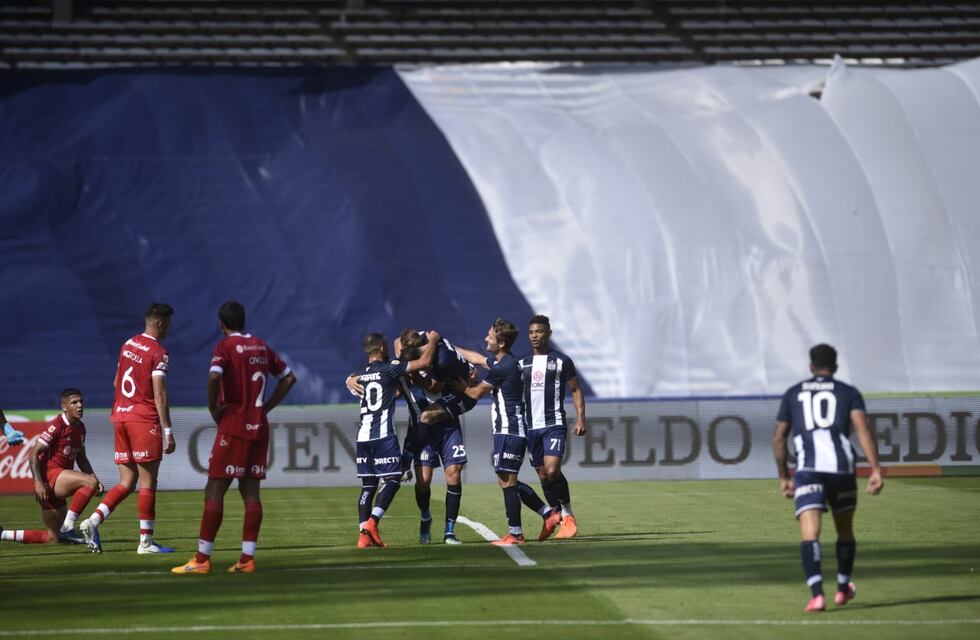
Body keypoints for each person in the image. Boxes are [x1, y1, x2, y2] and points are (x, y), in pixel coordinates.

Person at [172, 301, 296, 574]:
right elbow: (289, 378)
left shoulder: (225, 346)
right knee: (251, 493)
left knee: (214, 490)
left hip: (234, 424)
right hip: (259, 426)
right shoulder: (261, 345)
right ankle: (247, 559)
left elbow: (213, 377)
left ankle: (201, 560)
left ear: (221, 324)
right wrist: (265, 407)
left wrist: (213, 407)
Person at [773, 344, 884, 613]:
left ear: (811, 366)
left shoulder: (793, 393)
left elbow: (779, 438)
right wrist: (876, 469)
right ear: (835, 367)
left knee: (810, 533)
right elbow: (863, 431)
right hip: (841, 470)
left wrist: (784, 476)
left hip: (809, 469)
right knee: (844, 531)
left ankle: (817, 595)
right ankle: (843, 588)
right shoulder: (848, 392)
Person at [450, 319, 561, 545]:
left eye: (489, 336)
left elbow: (474, 393)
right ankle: (548, 514)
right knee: (507, 480)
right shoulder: (506, 362)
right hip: (513, 430)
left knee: (507, 481)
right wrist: (450, 348)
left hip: (509, 430)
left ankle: (517, 533)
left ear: (500, 342)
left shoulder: (504, 367)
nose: (486, 339)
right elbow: (478, 359)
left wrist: (450, 383)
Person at [79, 303, 177, 555]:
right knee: (148, 482)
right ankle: (146, 542)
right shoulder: (158, 352)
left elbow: (116, 382)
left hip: (120, 417)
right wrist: (167, 430)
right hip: (143, 421)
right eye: (169, 323)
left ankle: (93, 521)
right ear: (161, 323)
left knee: (127, 481)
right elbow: (159, 394)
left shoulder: (128, 344)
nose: (169, 328)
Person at [347, 331, 438, 549]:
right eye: (386, 345)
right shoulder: (390, 368)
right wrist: (434, 340)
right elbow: (424, 362)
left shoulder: (359, 375)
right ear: (381, 348)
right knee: (393, 479)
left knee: (368, 485)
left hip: (363, 436)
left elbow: (362, 384)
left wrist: (348, 379)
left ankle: (363, 536)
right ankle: (372, 523)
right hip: (383, 435)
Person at [395, 330, 475, 545]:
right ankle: (425, 516)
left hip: (447, 423)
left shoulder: (438, 361)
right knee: (423, 482)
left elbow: (437, 385)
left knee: (454, 475)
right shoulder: (406, 364)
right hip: (423, 428)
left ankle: (449, 531)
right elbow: (396, 342)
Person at [1, 389, 102, 546]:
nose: (79, 405)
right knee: (89, 482)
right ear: (64, 407)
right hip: (50, 477)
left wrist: (94, 477)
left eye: (81, 401)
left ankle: (3, 534)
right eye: (74, 402)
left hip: (58, 480)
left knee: (51, 538)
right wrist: (38, 482)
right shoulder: (57, 425)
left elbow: (81, 458)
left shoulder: (80, 428)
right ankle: (68, 527)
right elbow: (33, 453)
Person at [519, 315, 586, 539]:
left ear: (549, 333)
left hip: (553, 423)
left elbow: (575, 390)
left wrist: (581, 418)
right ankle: (555, 516)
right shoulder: (522, 363)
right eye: (531, 332)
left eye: (539, 331)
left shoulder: (561, 361)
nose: (534, 336)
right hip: (531, 426)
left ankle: (568, 514)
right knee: (542, 475)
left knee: (552, 470)